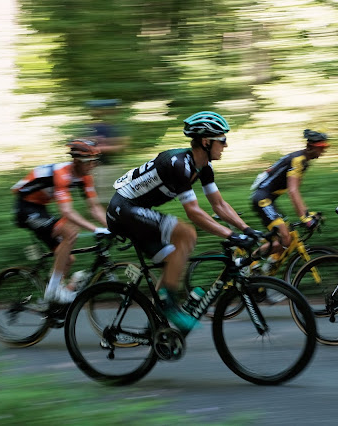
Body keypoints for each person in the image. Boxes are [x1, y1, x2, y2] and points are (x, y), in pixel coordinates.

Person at [106, 111, 260, 332]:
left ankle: (157, 324)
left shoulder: (203, 167)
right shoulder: (179, 164)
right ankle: (169, 306)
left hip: (136, 211)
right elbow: (194, 213)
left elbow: (219, 204)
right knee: (186, 233)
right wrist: (232, 236)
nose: (226, 145)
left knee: (176, 258)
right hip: (123, 209)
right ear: (206, 141)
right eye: (222, 139)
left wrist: (246, 229)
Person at [12, 139, 109, 304]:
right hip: (25, 208)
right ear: (78, 161)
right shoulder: (61, 173)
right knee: (70, 233)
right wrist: (95, 229)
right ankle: (52, 291)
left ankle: (58, 297)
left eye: (96, 161)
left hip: (41, 207)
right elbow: (67, 211)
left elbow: (94, 208)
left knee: (68, 259)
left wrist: (113, 226)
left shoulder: (85, 177)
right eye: (91, 162)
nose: (94, 165)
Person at [250, 129, 329, 257]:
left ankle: (265, 270)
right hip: (263, 200)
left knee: (288, 236)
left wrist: (307, 214)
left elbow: (295, 191)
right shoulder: (298, 160)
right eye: (322, 147)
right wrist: (305, 218)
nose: (324, 150)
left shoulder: (302, 160)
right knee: (285, 239)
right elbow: (293, 191)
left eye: (326, 146)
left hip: (268, 199)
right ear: (311, 146)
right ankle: (247, 264)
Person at [84, 99, 129, 204]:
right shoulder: (89, 127)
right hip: (93, 166)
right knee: (95, 193)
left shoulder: (115, 127)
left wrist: (99, 147)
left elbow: (122, 145)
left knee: (110, 192)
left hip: (110, 165)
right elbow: (82, 144)